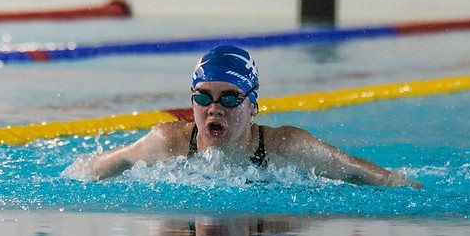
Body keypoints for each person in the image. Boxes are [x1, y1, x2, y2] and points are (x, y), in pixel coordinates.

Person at [81, 45, 422, 188]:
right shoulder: (168, 142)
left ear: (253, 106)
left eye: (230, 98)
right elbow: (99, 167)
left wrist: (410, 186)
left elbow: (355, 170)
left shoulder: (287, 146)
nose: (214, 108)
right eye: (203, 97)